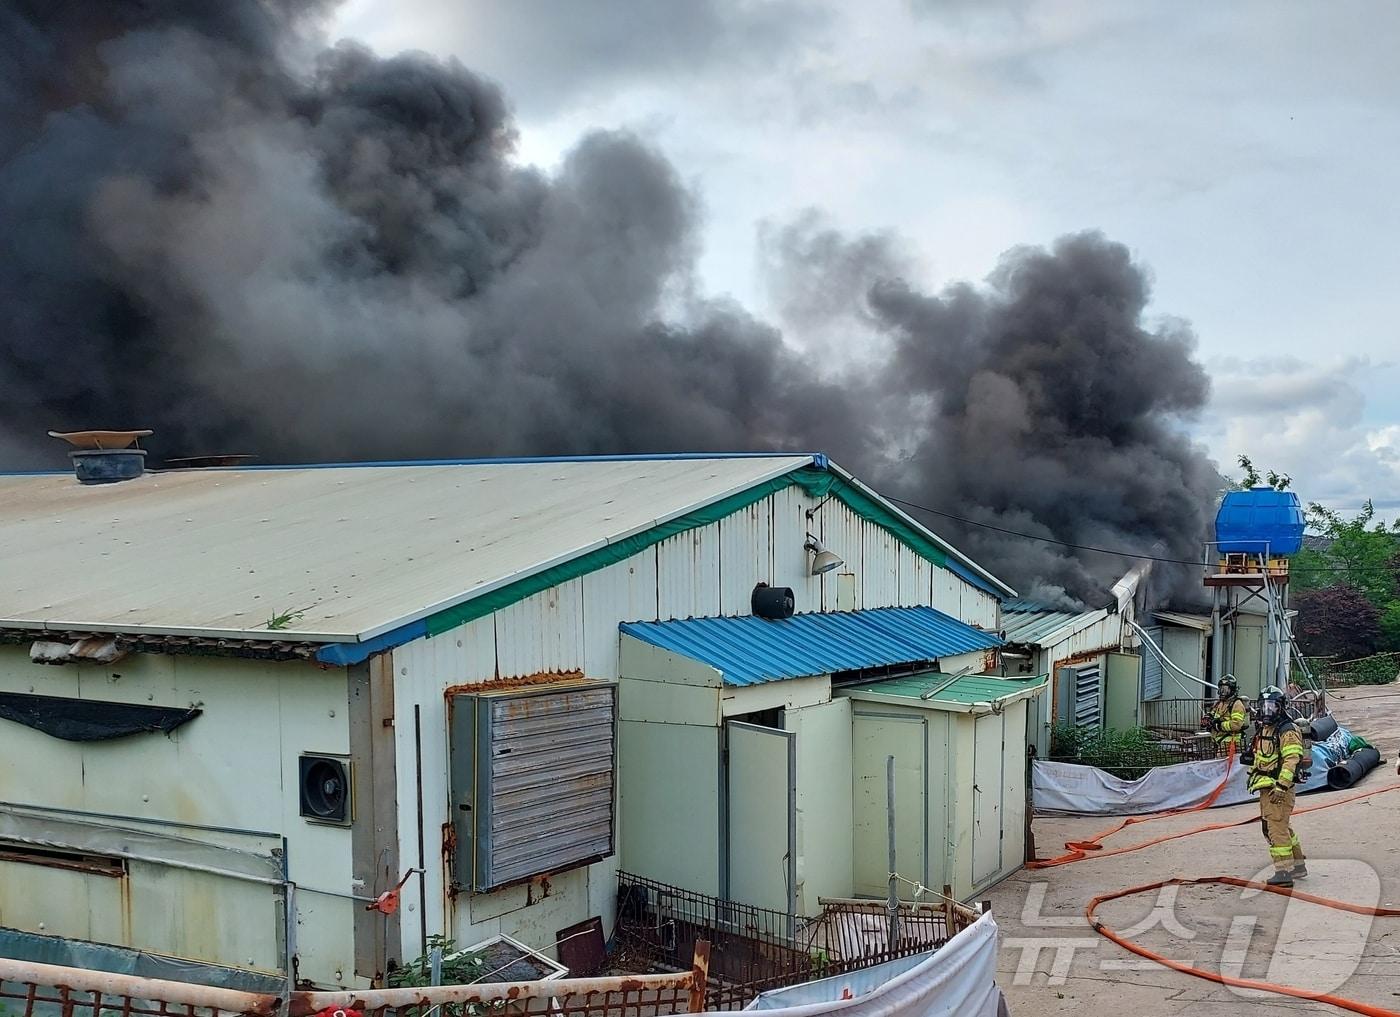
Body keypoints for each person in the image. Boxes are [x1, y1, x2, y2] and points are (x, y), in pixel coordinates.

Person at [1244, 685, 1307, 886]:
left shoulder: (1287, 730)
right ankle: (1298, 866)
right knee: (1282, 826)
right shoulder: (1265, 728)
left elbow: (1291, 759)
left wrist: (1281, 786)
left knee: (1275, 829)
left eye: (1272, 706)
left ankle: (1284, 873)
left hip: (1278, 790)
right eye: (1264, 706)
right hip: (1266, 787)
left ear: (1281, 707)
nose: (1267, 711)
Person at [1207, 675, 1249, 753]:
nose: (1222, 692)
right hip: (1220, 742)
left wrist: (1219, 726)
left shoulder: (1237, 705)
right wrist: (1208, 719)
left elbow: (1236, 724)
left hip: (1231, 743)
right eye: (1221, 689)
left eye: (1225, 689)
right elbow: (1214, 714)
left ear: (1232, 690)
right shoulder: (1220, 703)